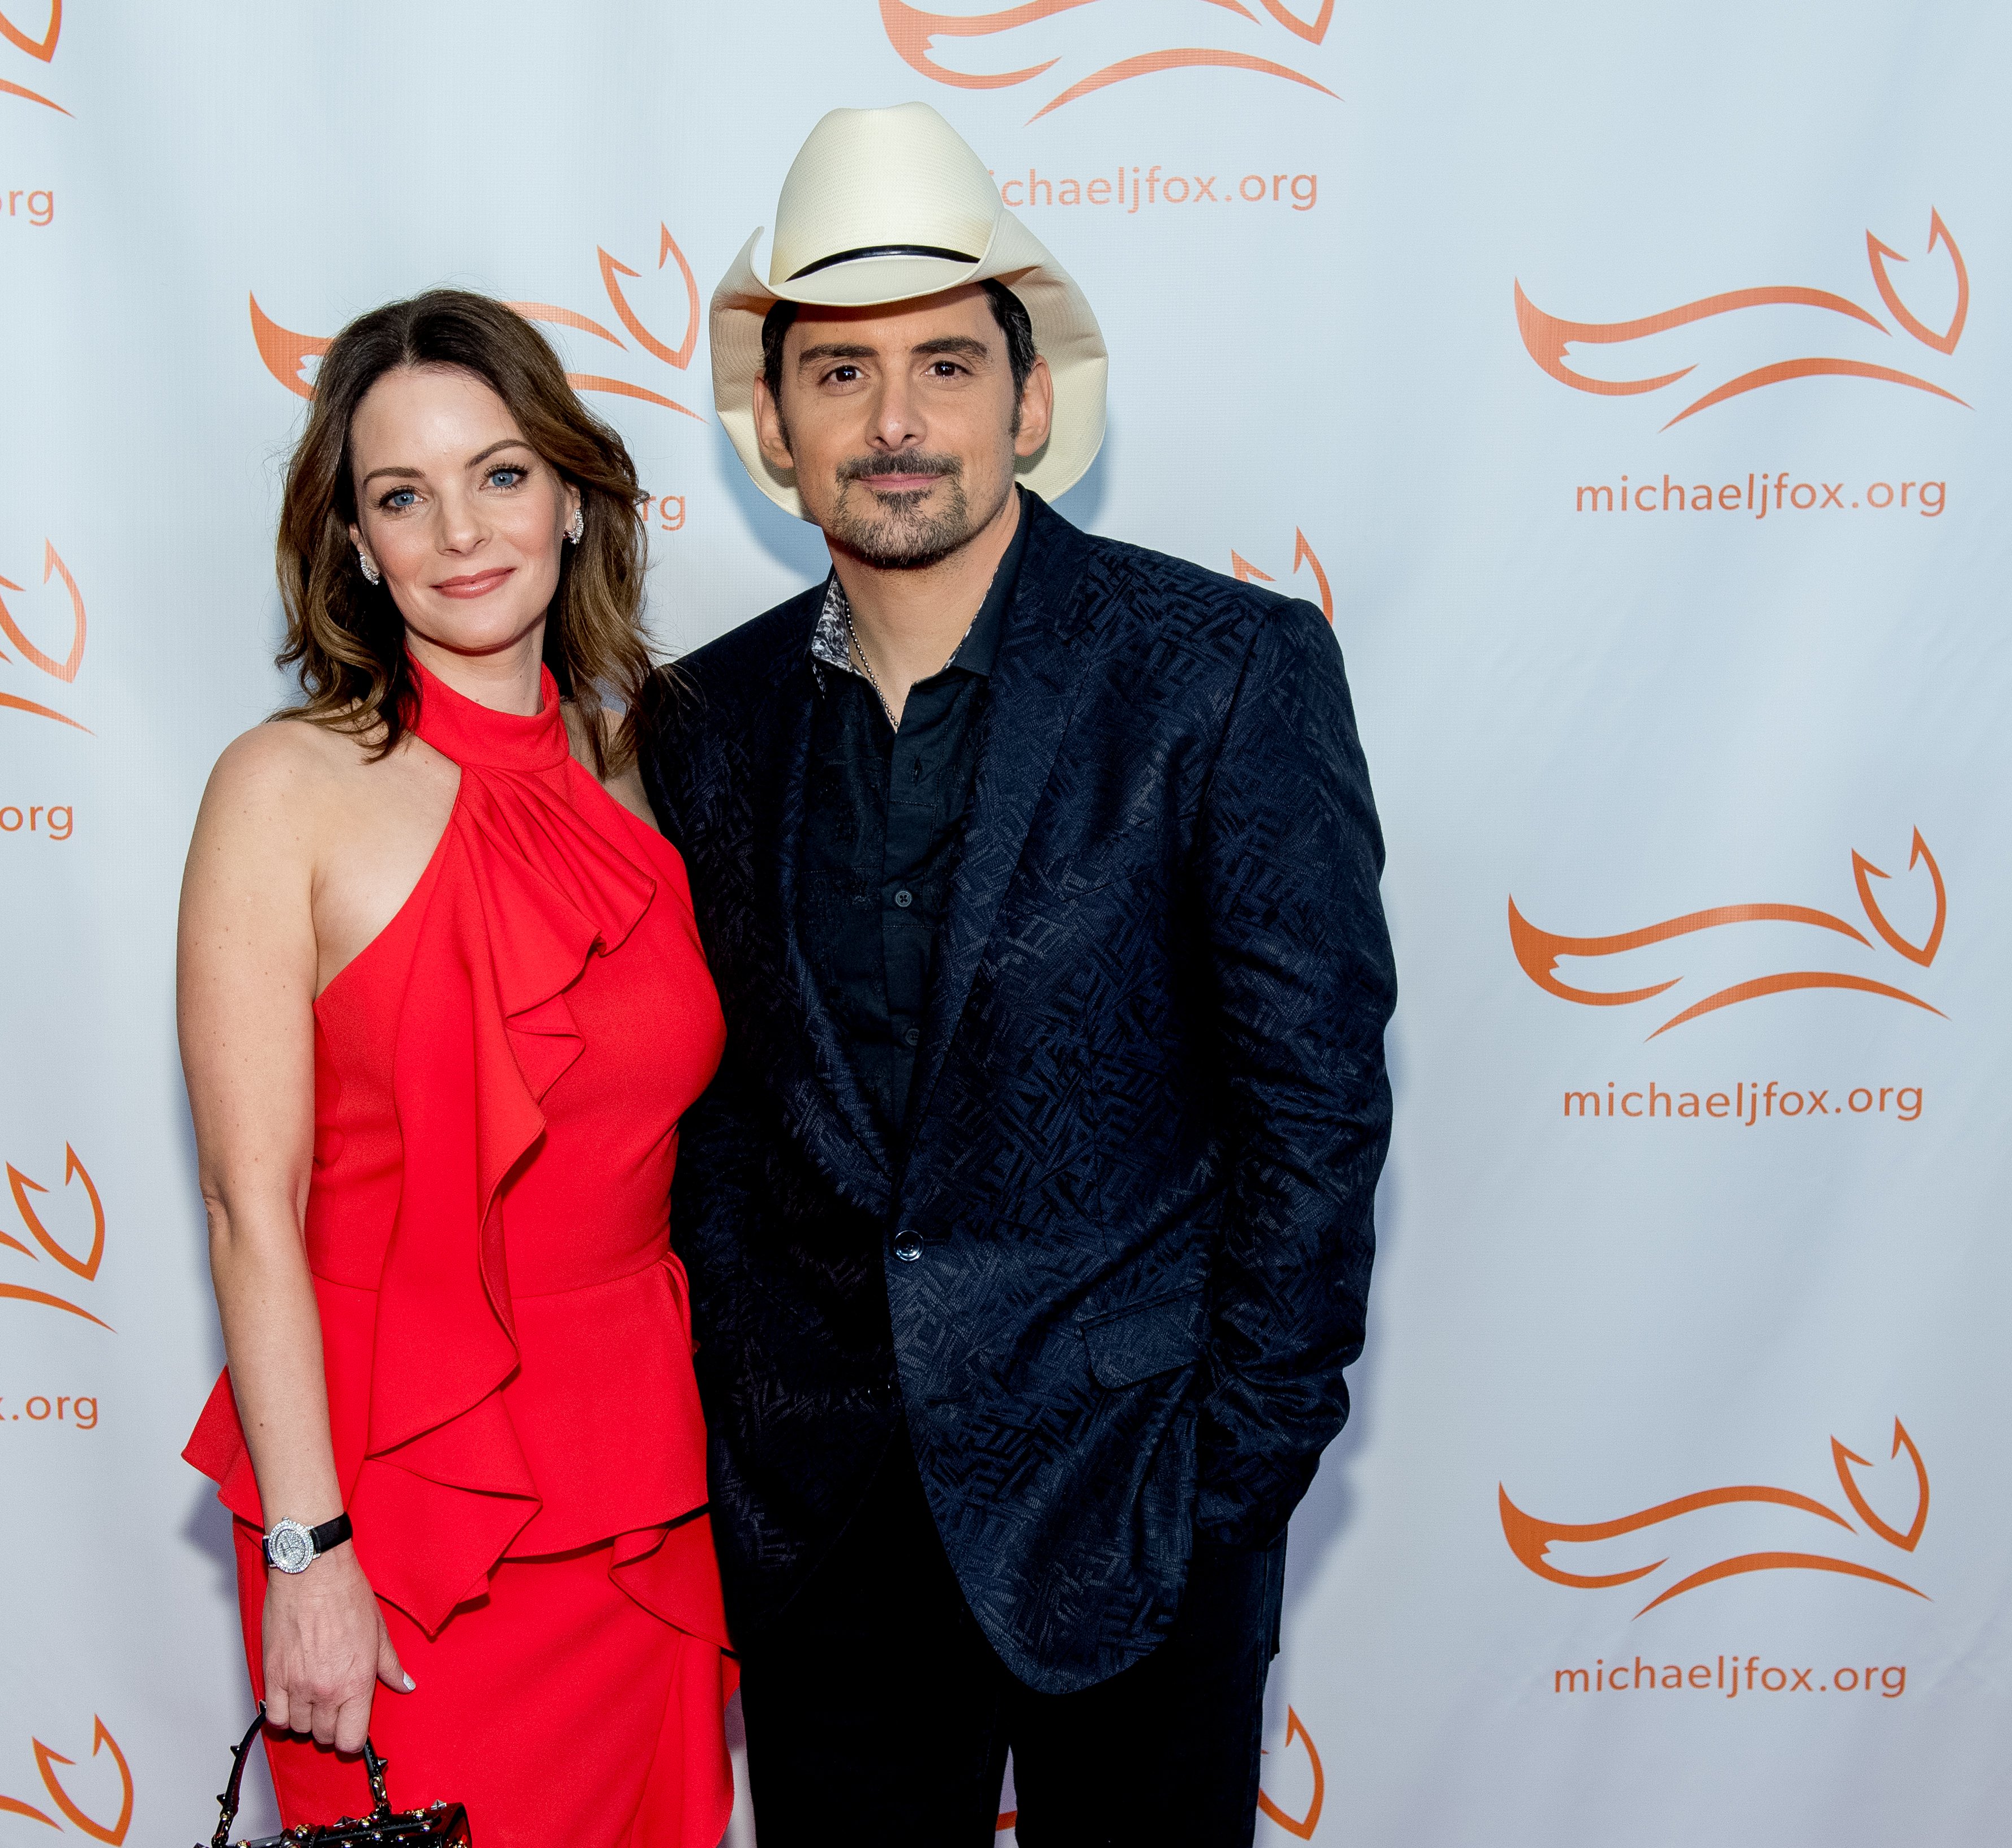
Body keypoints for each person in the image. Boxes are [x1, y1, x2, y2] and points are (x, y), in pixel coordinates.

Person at [641, 104, 1397, 1844]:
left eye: (943, 366)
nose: (894, 421)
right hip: (817, 1518)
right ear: (772, 424)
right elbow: (710, 1117)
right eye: (836, 374)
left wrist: (1228, 1477)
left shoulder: (1219, 673)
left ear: (1029, 400)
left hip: (1131, 1494)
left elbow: (1315, 1109)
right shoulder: (698, 724)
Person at [176, 289, 733, 1846]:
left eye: (498, 473)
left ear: (571, 491)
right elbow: (250, 1208)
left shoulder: (643, 770)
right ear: (353, 541)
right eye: (399, 495)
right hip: (396, 1510)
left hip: (642, 1498)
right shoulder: (283, 788)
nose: (459, 531)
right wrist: (308, 1555)